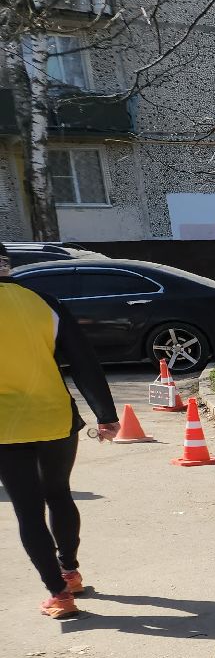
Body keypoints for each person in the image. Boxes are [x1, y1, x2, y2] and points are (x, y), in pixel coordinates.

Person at [1, 250, 118, 619]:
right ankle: (70, 570)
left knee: (28, 509)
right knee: (59, 493)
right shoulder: (43, 301)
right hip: (55, 418)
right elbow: (82, 358)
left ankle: (59, 593)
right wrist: (106, 414)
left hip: (6, 428)